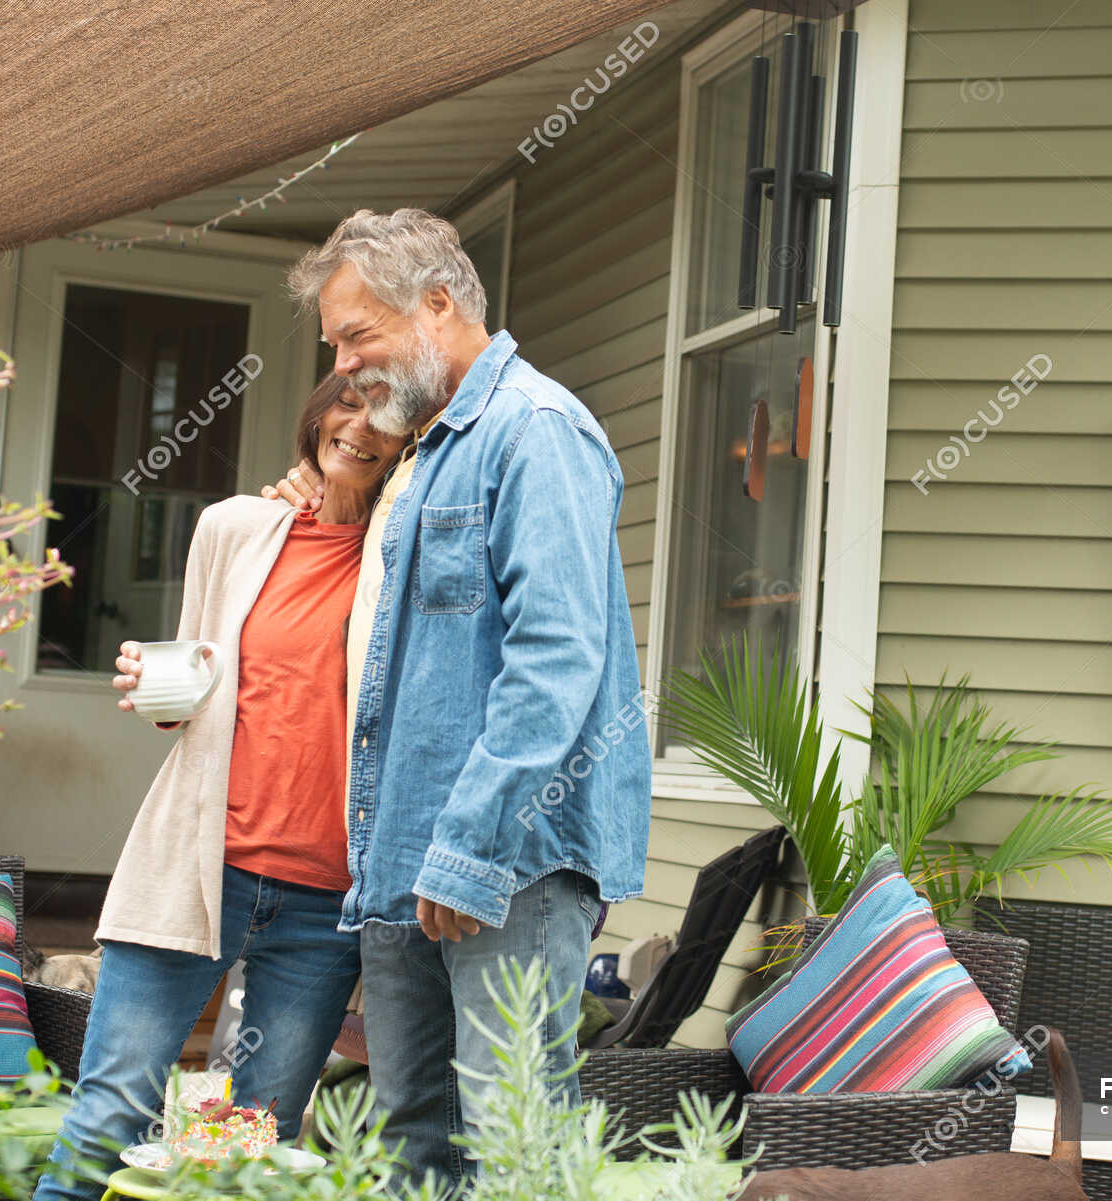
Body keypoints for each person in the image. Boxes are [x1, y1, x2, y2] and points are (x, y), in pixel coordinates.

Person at [268, 208, 649, 1187]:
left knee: (512, 1140)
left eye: (359, 336)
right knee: (414, 1141)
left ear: (438, 304)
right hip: (403, 860)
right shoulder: (432, 448)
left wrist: (470, 843)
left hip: (503, 864)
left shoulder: (538, 431)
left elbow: (557, 658)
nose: (349, 368)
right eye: (337, 346)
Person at [34, 374, 399, 1201]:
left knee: (252, 1144)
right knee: (110, 1110)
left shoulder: (400, 557)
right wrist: (155, 687)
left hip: (324, 897)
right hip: (200, 864)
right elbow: (200, 673)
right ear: (318, 411)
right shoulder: (234, 527)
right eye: (347, 401)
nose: (360, 426)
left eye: (388, 414)